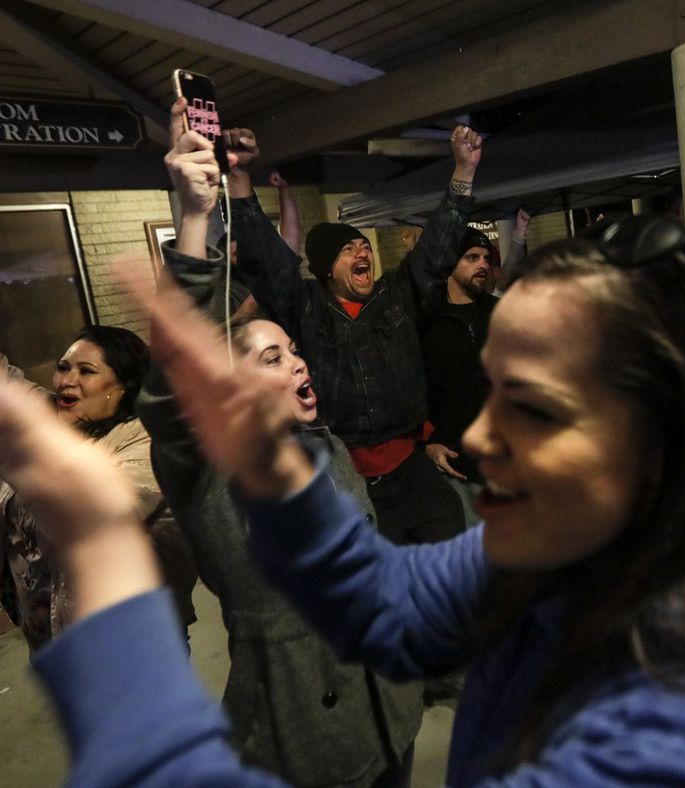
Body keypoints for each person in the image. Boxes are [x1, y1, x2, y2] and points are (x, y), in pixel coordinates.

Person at [0, 211, 685, 786]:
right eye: (488, 388)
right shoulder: (569, 544)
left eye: (531, 407)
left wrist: (109, 579)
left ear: (682, 439)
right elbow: (378, 600)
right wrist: (274, 468)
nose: (476, 436)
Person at [137, 107, 421, 784]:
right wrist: (195, 213)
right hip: (305, 735)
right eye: (270, 358)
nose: (298, 364)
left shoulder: (326, 446)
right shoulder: (211, 472)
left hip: (390, 707)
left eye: (294, 351)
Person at [220, 122, 483, 546]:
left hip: (410, 470)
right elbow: (267, 262)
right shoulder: (303, 306)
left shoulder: (396, 296)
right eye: (348, 249)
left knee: (449, 543)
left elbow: (437, 249)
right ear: (325, 269)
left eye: (364, 246)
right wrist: (239, 177)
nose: (362, 252)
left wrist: (463, 173)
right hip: (345, 478)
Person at [0, 271, 197, 653]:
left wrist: (11, 456)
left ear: (123, 388)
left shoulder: (147, 443)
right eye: (63, 367)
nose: (66, 381)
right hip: (54, 633)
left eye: (86, 371)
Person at [420, 227, 496, 500]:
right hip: (455, 462)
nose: (483, 265)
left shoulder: (500, 311)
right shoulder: (425, 320)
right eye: (472, 257)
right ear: (449, 263)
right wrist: (425, 444)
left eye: (486, 259)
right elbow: (410, 387)